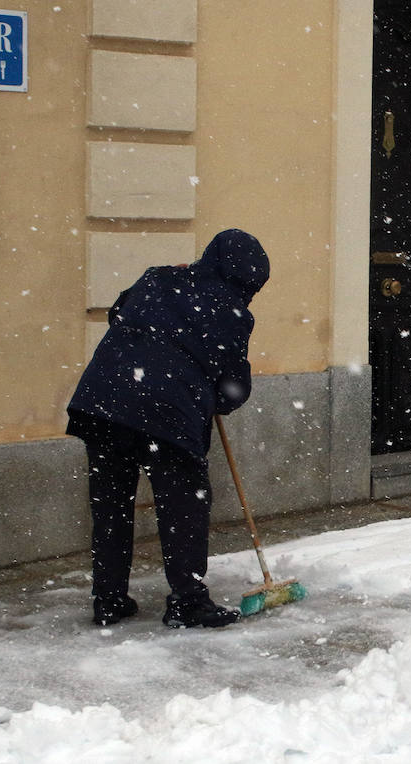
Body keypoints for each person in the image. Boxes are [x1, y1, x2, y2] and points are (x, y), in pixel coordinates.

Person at [67, 229, 270, 628]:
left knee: (111, 506)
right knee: (183, 508)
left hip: (103, 401)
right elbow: (233, 391)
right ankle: (188, 601)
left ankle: (107, 599)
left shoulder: (157, 277)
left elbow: (118, 315)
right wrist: (211, 391)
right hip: (167, 416)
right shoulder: (232, 312)